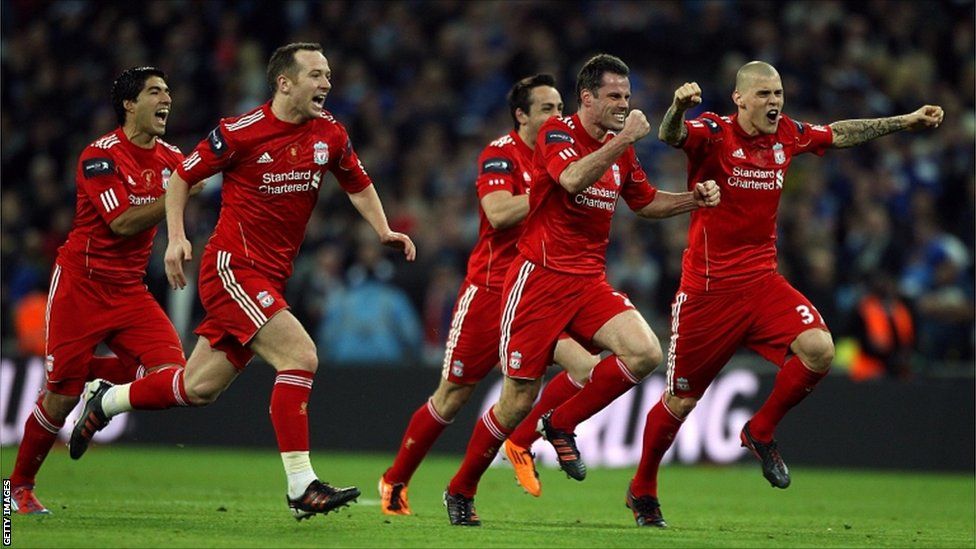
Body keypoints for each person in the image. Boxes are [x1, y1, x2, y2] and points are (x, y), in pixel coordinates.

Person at [68, 43, 416, 521]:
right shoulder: (240, 132)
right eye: (315, 75)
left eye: (328, 75)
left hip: (270, 276)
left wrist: (382, 229)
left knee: (197, 388)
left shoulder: (330, 133)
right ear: (284, 83)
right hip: (233, 268)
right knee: (300, 356)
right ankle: (300, 486)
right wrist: (175, 239)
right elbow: (181, 178)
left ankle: (106, 399)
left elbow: (357, 181)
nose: (326, 84)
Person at [628, 60, 944, 527]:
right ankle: (644, 490)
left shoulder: (787, 136)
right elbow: (670, 136)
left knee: (820, 350)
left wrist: (904, 121)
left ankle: (760, 430)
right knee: (681, 402)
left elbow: (839, 133)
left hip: (762, 284)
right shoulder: (714, 132)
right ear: (740, 99)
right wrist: (676, 106)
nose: (774, 102)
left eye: (778, 94)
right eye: (764, 95)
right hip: (709, 293)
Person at [443, 54, 720, 526]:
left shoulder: (620, 147)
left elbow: (645, 201)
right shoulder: (557, 133)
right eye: (613, 96)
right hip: (538, 281)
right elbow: (571, 179)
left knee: (644, 352)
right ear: (586, 98)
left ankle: (562, 423)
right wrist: (627, 137)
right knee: (516, 401)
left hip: (588, 281)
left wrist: (692, 199)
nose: (623, 104)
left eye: (627, 97)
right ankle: (461, 487)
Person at [378, 74, 601, 515]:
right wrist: (552, 188)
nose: (557, 116)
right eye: (546, 109)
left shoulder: (569, 155)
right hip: (491, 292)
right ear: (522, 115)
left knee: (588, 369)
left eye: (560, 107)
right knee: (452, 397)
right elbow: (498, 214)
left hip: (539, 292)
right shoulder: (501, 153)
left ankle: (522, 440)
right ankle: (395, 479)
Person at [8, 67, 198, 514]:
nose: (166, 99)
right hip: (81, 285)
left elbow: (206, 174)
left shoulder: (173, 158)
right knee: (58, 398)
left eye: (168, 91)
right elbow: (121, 222)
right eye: (155, 92)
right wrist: (177, 195)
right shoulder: (100, 156)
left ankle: (93, 386)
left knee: (173, 374)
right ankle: (16, 488)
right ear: (130, 104)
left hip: (129, 291)